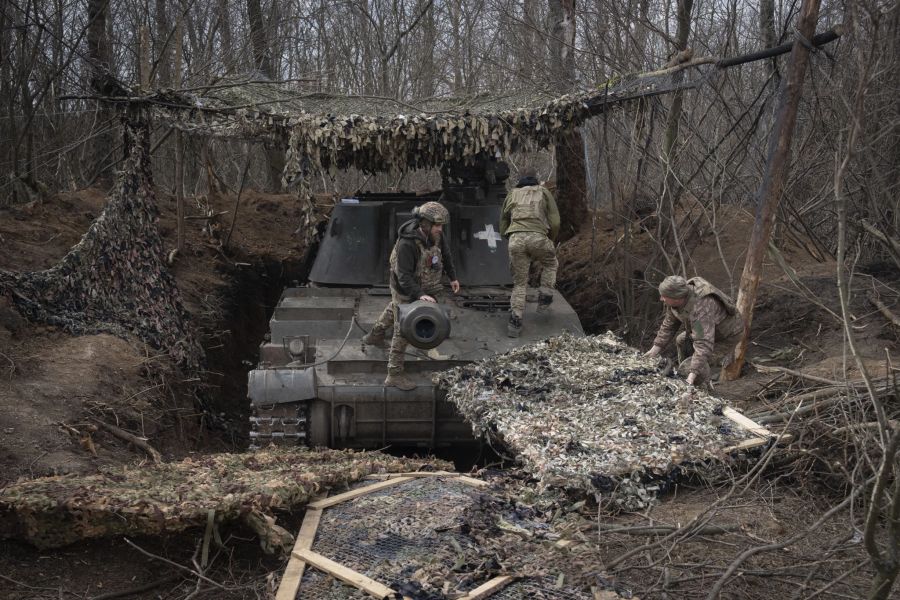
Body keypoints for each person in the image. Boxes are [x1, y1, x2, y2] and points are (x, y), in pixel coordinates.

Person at [362, 201, 460, 390]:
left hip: (428, 281)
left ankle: (375, 334)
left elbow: (446, 254)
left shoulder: (436, 234)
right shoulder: (407, 243)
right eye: (437, 225)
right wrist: (420, 295)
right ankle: (394, 374)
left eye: (441, 225)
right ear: (425, 223)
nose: (441, 229)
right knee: (404, 326)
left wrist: (453, 277)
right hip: (404, 285)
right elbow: (404, 277)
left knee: (394, 308)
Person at [645, 275, 744, 385]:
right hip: (706, 329)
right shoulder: (676, 297)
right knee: (681, 340)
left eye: (664, 296)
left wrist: (692, 374)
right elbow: (669, 325)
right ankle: (684, 372)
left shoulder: (701, 308)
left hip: (727, 335)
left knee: (699, 363)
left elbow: (703, 343)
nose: (661, 299)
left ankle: (700, 387)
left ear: (676, 298)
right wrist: (655, 349)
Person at [499, 168, 560, 338]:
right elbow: (555, 221)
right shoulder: (544, 192)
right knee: (550, 263)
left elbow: (503, 219)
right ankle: (546, 294)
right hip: (538, 237)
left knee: (520, 283)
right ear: (536, 182)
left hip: (515, 240)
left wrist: (508, 237)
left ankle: (515, 322)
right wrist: (551, 238)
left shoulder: (512, 193)